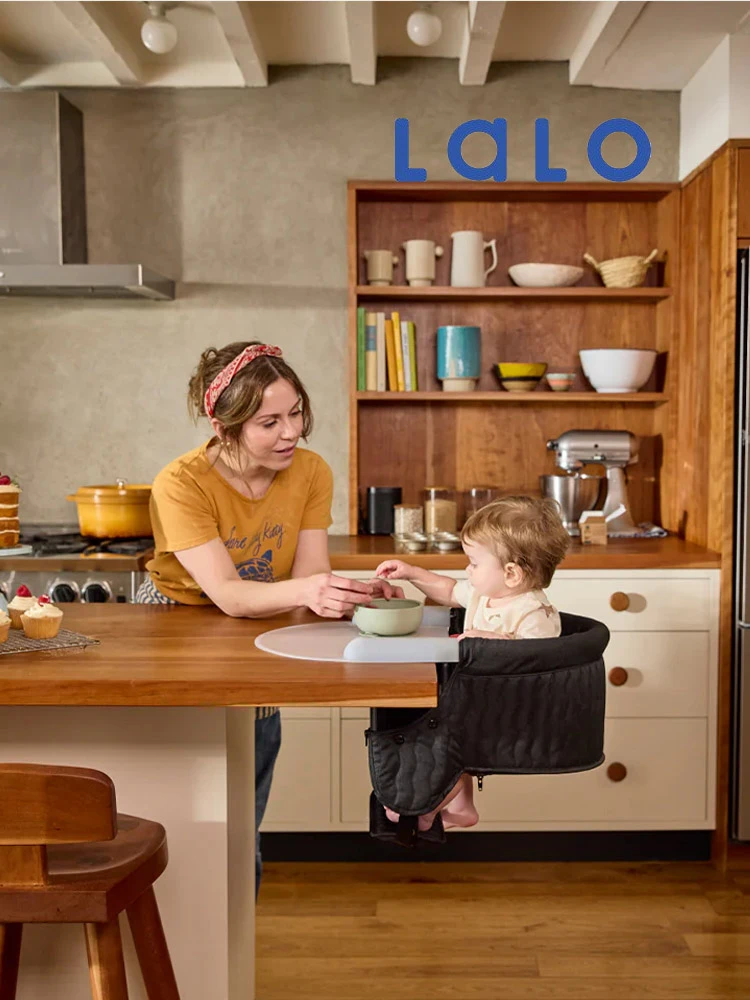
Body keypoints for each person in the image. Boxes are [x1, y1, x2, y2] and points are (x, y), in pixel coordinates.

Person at [136, 340, 401, 891]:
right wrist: (308, 589)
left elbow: (307, 579)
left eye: (297, 413)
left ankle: (235, 913)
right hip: (180, 623)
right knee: (185, 787)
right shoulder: (181, 483)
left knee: (248, 787)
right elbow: (228, 595)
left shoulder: (309, 471)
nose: (291, 433)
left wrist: (348, 597)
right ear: (224, 425)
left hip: (266, 619)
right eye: (269, 422)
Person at [374, 495, 570, 832]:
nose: (468, 570)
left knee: (445, 731)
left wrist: (495, 641)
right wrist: (411, 573)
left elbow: (538, 662)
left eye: (474, 563)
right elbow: (447, 590)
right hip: (476, 699)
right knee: (440, 715)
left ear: (511, 573)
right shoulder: (485, 595)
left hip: (510, 710)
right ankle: (462, 805)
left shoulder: (534, 613)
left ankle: (426, 801)